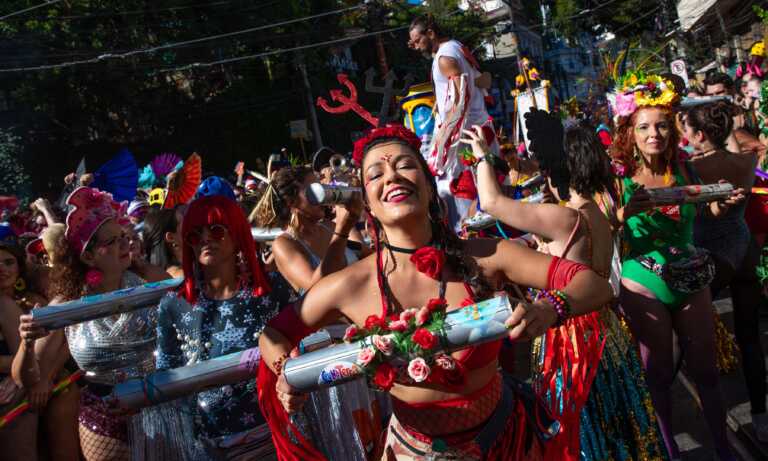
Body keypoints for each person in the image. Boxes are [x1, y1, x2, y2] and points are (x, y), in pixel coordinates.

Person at [258, 124, 613, 460]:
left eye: (405, 166)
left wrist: (549, 309)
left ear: (428, 186)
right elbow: (274, 333)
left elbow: (593, 284)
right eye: (376, 175)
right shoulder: (348, 285)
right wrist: (284, 372)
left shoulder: (487, 257)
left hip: (508, 441)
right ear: (367, 202)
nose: (392, 176)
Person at [468, 118, 667, 460]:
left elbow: (491, 203)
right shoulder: (596, 210)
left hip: (570, 334)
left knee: (579, 428)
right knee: (618, 422)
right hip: (606, 329)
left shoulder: (564, 217)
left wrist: (480, 156)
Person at [611, 73, 743, 461]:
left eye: (662, 126)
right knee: (659, 376)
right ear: (630, 133)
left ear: (673, 130)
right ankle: (671, 452)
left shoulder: (685, 169)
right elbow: (602, 226)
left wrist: (725, 202)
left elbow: (709, 209)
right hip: (643, 282)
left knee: (706, 372)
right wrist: (622, 212)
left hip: (690, 274)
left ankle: (723, 448)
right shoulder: (618, 178)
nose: (655, 134)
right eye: (645, 127)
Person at [13, 186, 169, 461]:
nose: (126, 244)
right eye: (113, 241)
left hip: (158, 411)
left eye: (124, 236)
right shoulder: (68, 304)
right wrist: (26, 342)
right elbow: (28, 377)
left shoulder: (151, 285)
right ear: (88, 255)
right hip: (103, 422)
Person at [155, 195, 279, 459]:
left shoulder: (272, 290)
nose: (205, 240)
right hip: (211, 444)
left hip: (275, 433)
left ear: (237, 235)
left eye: (216, 230)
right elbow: (166, 374)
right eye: (195, 235)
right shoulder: (173, 305)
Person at [683, 101, 768, 442]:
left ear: (699, 134)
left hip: (713, 256)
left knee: (693, 338)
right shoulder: (746, 159)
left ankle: (712, 416)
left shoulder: (691, 168)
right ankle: (762, 418)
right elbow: (734, 144)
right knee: (749, 338)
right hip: (745, 249)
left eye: (687, 130)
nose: (683, 136)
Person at [408, 14, 494, 230]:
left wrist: (443, 142)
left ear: (431, 33)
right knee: (482, 179)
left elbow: (460, 100)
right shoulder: (458, 47)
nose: (416, 47)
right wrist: (441, 100)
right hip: (478, 128)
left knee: (455, 187)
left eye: (418, 41)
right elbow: (484, 80)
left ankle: (467, 234)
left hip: (461, 137)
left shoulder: (444, 58)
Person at [0, 229, 79, 461]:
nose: (2, 269)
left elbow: (65, 339)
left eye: (8, 262)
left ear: (19, 267)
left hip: (42, 386)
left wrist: (43, 378)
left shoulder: (34, 301)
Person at [250, 166, 363, 294]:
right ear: (290, 201)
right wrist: (342, 230)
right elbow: (316, 289)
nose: (323, 195)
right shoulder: (284, 245)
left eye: (321, 187)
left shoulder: (328, 226)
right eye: (314, 191)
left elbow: (367, 255)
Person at [141, 206, 185, 279]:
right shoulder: (184, 276)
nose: (189, 226)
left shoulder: (155, 276)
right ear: (170, 237)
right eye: (184, 223)